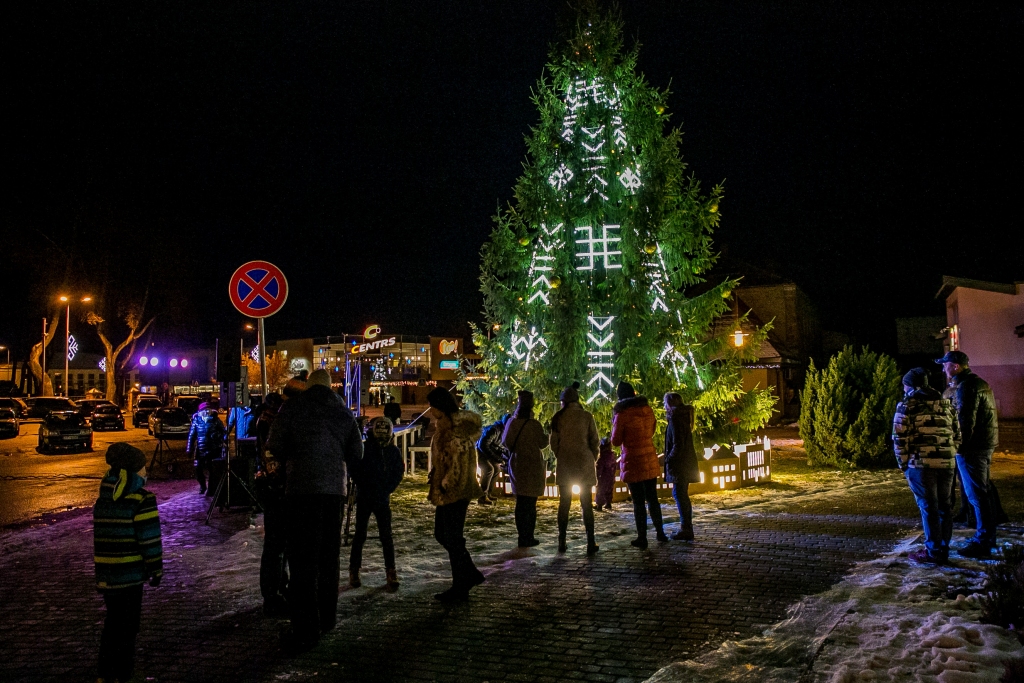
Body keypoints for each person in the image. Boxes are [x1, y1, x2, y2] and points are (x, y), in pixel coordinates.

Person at [267, 369, 363, 652]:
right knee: (328, 556)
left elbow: (275, 444)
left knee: (303, 560)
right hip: (334, 491)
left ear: (308, 386)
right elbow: (356, 453)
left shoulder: (292, 407)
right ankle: (328, 618)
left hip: (301, 491)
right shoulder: (342, 411)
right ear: (331, 387)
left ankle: (305, 628)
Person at [93, 443, 162, 683]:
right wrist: (156, 568)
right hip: (131, 575)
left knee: (112, 624)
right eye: (143, 468)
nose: (146, 472)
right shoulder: (142, 500)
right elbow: (149, 539)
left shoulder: (103, 501)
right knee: (129, 627)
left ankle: (105, 673)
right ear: (134, 472)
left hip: (107, 574)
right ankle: (123, 674)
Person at [893, 368, 961, 565]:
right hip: (947, 462)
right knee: (944, 507)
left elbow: (899, 438)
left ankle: (933, 551)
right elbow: (957, 434)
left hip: (920, 464)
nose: (904, 389)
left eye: (905, 385)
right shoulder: (946, 404)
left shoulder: (908, 405)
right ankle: (943, 548)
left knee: (928, 506)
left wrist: (903, 464)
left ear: (912, 386)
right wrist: (949, 453)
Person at [937, 351, 1001, 558]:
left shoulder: (966, 387)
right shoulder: (975, 383)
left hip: (972, 448)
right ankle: (986, 535)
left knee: (977, 493)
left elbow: (965, 421)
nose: (943, 368)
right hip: (981, 445)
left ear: (955, 366)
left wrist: (957, 446)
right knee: (980, 491)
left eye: (945, 365)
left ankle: (984, 540)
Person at [426, 387, 486, 603]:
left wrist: (446, 481)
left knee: (450, 536)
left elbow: (457, 459)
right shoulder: (447, 426)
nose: (430, 410)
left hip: (454, 490)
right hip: (450, 489)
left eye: (432, 406)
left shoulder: (454, 429)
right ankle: (467, 576)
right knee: (446, 535)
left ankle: (462, 583)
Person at [349, 417, 404, 591]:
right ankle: (354, 570)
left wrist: (388, 488)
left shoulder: (392, 451)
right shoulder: (366, 448)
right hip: (366, 496)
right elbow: (355, 468)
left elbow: (398, 472)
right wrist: (363, 485)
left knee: (386, 536)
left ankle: (390, 570)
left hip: (380, 497)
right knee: (360, 535)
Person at [612, 381, 667, 549]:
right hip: (649, 457)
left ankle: (642, 537)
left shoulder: (622, 415)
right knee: (652, 498)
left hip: (632, 460)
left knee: (638, 502)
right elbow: (651, 431)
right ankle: (660, 532)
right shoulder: (647, 410)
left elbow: (615, 441)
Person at [549, 382, 601, 554]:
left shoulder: (558, 418)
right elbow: (594, 440)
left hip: (565, 464)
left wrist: (561, 455)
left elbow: (553, 443)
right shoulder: (587, 416)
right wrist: (592, 456)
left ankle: (562, 541)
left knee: (564, 504)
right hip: (584, 464)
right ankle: (590, 541)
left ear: (564, 402)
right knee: (587, 504)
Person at [255, 392, 288, 616]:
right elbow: (272, 459)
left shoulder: (266, 421)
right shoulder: (270, 425)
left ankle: (277, 588)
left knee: (277, 546)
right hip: (276, 489)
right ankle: (272, 595)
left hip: (274, 487)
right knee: (276, 546)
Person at [502, 393, 547, 547]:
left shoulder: (511, 423)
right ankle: (529, 536)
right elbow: (542, 443)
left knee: (520, 502)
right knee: (530, 503)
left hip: (517, 464)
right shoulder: (534, 424)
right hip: (532, 465)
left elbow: (505, 441)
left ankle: (522, 536)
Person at [664, 392, 700, 541]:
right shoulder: (682, 418)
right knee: (680, 494)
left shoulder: (675, 420)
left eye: (665, 403)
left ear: (670, 405)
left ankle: (686, 528)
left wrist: (668, 459)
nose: (664, 406)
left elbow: (678, 444)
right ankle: (686, 527)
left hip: (680, 465)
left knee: (680, 495)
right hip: (684, 463)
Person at [187, 402, 226, 495]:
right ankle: (202, 486)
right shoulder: (196, 420)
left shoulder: (215, 420)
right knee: (198, 469)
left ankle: (211, 489)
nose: (206, 412)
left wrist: (217, 436)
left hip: (213, 449)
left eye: (207, 410)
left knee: (212, 470)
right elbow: (191, 436)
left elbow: (224, 432)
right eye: (204, 410)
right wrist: (189, 448)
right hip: (200, 449)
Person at [478, 413, 510, 505]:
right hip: (481, 452)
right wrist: (496, 458)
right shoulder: (494, 430)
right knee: (489, 469)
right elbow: (482, 445)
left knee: (496, 469)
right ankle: (482, 496)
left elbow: (498, 447)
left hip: (488, 454)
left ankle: (488, 493)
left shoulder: (503, 432)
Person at [595, 437, 617, 512]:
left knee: (600, 490)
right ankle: (608, 503)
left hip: (603, 477)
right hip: (610, 476)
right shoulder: (612, 455)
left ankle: (599, 505)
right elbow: (614, 466)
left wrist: (598, 475)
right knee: (609, 490)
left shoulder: (602, 456)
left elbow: (600, 466)